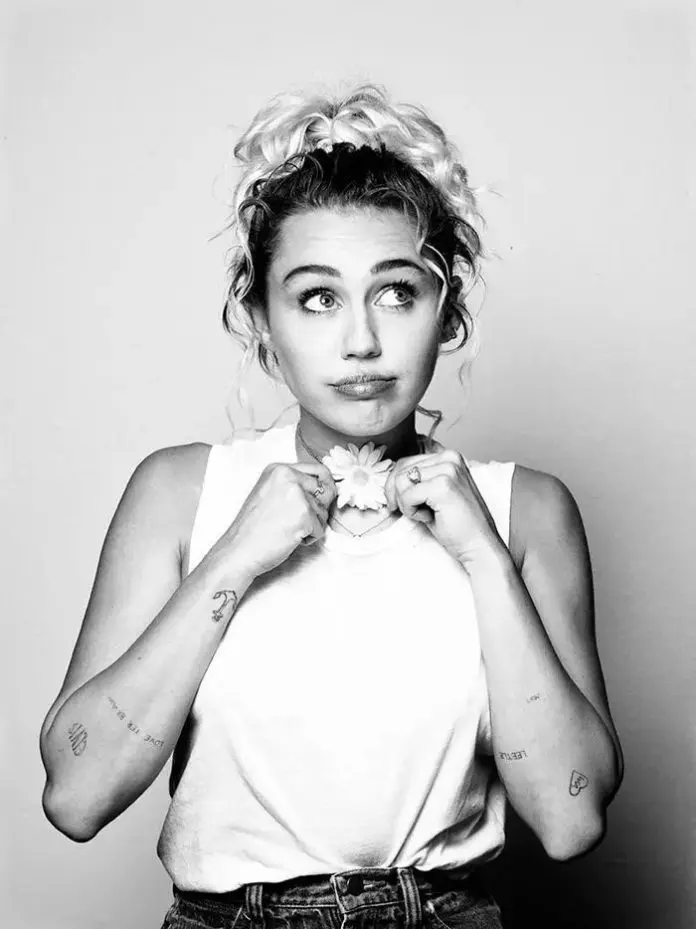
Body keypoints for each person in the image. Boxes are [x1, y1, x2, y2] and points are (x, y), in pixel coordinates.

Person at [39, 82, 624, 929]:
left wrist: (484, 558)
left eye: (397, 292)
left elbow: (571, 821)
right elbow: (76, 794)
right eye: (318, 297)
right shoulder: (180, 493)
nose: (361, 342)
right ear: (261, 321)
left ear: (447, 310)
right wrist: (235, 555)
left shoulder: (524, 509)